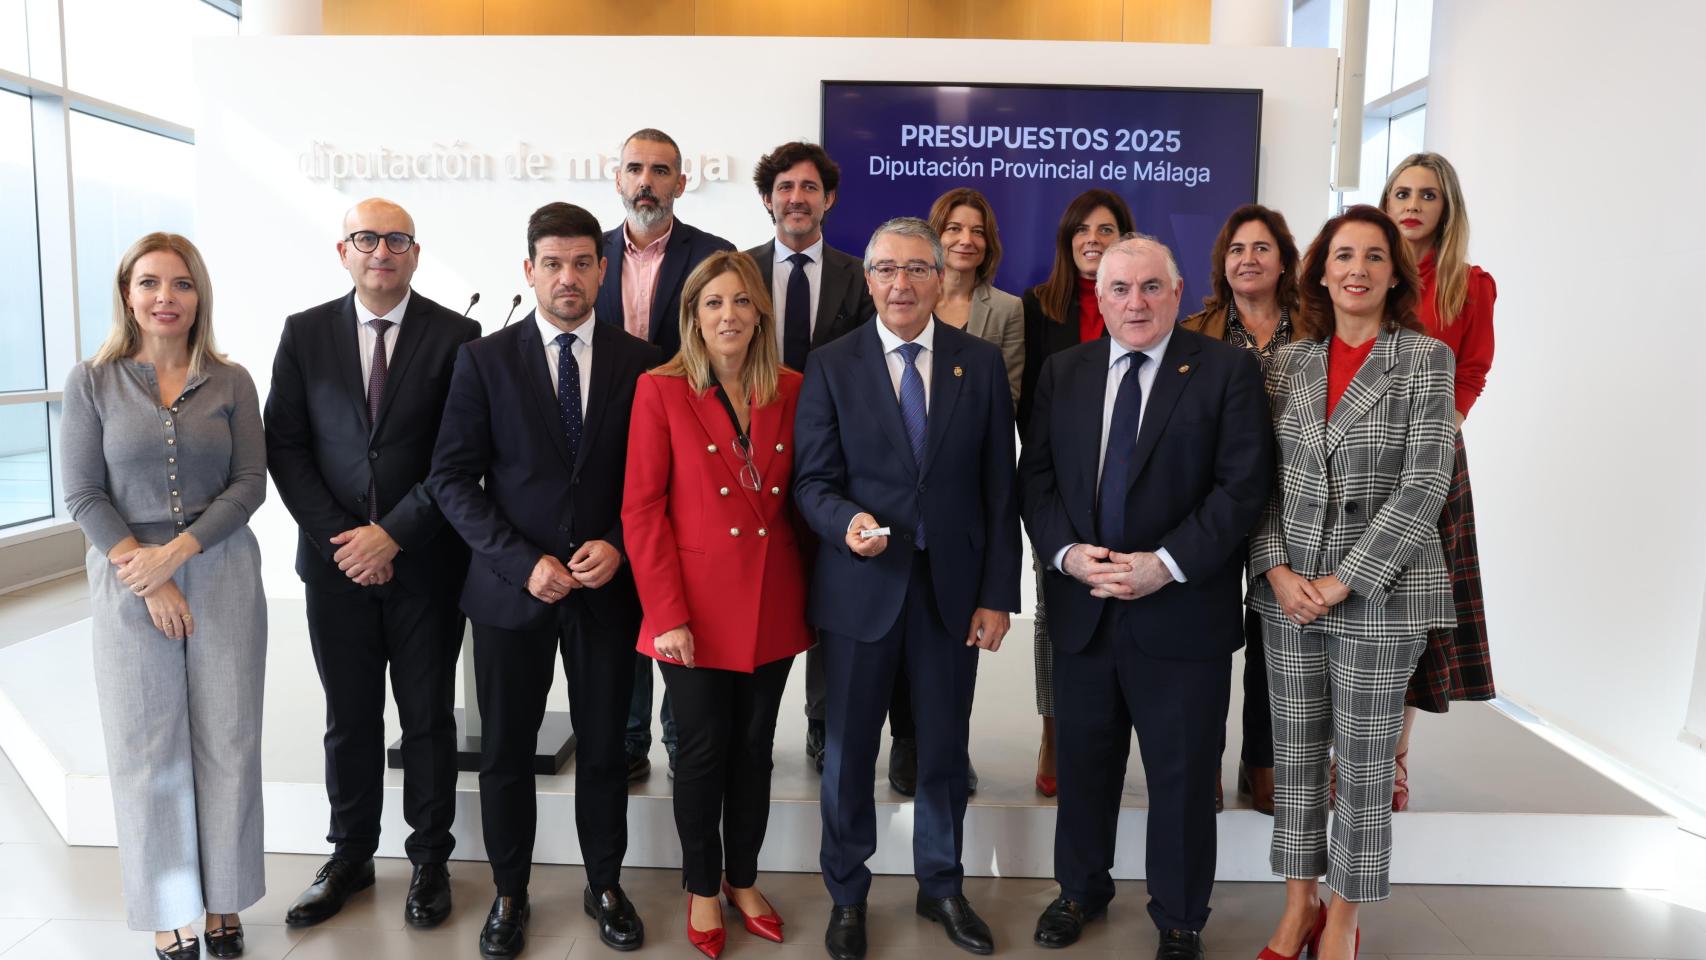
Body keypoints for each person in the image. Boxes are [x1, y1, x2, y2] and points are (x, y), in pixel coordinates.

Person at [1018, 236, 1272, 960]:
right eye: (1120, 288)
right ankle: (1079, 891)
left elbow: (1242, 487)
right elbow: (1035, 478)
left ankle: (1181, 916)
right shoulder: (1063, 372)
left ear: (1179, 291)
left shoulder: (1225, 371)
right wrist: (1068, 556)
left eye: (1152, 288)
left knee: (1184, 778)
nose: (1136, 302)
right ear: (1097, 295)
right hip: (1085, 608)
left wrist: (1166, 564)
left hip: (1181, 613)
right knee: (1085, 767)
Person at [428, 202, 662, 958]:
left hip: (605, 592)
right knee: (505, 752)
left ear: (604, 269)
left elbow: (659, 481)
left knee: (603, 752)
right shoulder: (484, 361)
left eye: (584, 262)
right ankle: (509, 893)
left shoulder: (644, 363)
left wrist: (621, 545)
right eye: (553, 263)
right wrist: (521, 561)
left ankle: (604, 885)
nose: (568, 277)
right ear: (528, 270)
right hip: (509, 592)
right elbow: (453, 480)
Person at [794, 217, 1020, 960]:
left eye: (917, 269)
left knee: (943, 750)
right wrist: (846, 521)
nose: (902, 284)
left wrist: (997, 594)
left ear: (938, 278)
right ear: (868, 280)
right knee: (851, 752)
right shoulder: (830, 364)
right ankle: (848, 893)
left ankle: (942, 886)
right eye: (887, 270)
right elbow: (813, 481)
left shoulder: (978, 364)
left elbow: (998, 488)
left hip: (951, 594)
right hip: (861, 588)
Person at [265, 198, 481, 932]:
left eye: (395, 240)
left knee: (426, 721)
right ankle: (350, 856)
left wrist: (392, 535)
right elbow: (286, 448)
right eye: (367, 239)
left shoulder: (459, 337)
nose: (380, 251)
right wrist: (349, 542)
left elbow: (459, 456)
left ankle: (429, 861)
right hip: (334, 570)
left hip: (426, 565)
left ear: (415, 254)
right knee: (350, 720)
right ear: (344, 250)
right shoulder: (303, 334)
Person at [1248, 205, 1456, 960]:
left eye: (1374, 256)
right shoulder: (1290, 361)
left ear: (1395, 273)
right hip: (1290, 593)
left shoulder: (1425, 358)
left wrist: (1342, 581)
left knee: (1364, 770)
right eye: (1343, 255)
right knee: (1296, 761)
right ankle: (1297, 908)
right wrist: (1275, 569)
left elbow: (1426, 482)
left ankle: (1343, 920)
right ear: (1321, 271)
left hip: (1381, 595)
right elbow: (1257, 481)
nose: (1357, 269)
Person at [61, 233, 267, 959]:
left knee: (230, 739)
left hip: (221, 567)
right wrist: (144, 571)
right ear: (127, 293)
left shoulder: (233, 380)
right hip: (125, 576)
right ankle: (167, 907)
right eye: (149, 283)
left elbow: (250, 484)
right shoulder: (91, 381)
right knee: (147, 746)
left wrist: (178, 554)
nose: (165, 298)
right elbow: (83, 492)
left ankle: (224, 901)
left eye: (180, 284)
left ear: (198, 295)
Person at [623, 251, 814, 958]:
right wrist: (666, 614)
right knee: (701, 752)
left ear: (760, 311)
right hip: (692, 611)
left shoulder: (793, 386)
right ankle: (703, 885)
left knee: (754, 751)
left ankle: (743, 878)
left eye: (739, 301)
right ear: (692, 316)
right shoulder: (660, 389)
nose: (728, 315)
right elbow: (642, 511)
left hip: (773, 599)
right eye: (712, 304)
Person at [594, 127, 738, 784]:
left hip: (687, 448)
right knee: (623, 592)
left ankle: (687, 739)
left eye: (660, 170)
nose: (645, 181)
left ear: (681, 182)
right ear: (616, 177)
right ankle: (627, 739)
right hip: (599, 448)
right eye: (635, 169)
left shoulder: (715, 256)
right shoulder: (586, 256)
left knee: (681, 585)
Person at [740, 140, 876, 778]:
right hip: (747, 457)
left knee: (830, 587)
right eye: (785, 188)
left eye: (810, 188)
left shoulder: (860, 276)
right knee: (750, 582)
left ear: (829, 198)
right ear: (768, 198)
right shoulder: (735, 272)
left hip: (837, 461)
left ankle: (823, 722)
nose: (797, 198)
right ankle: (741, 723)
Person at [1381, 152, 1498, 811]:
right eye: (1402, 191)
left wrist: (1434, 437)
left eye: (1427, 194)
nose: (1413, 203)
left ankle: (1394, 759)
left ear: (1446, 206)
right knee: (1358, 612)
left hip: (1432, 463)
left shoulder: (1470, 285)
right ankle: (1349, 753)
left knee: (1414, 615)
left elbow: (1472, 371)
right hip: (1358, 458)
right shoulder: (1364, 270)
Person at [1180, 203, 1303, 816]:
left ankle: (1263, 763)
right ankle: (1203, 763)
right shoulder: (1197, 329)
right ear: (1221, 264)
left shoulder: (1316, 328)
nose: (1247, 259)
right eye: (1236, 249)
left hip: (1291, 504)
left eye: (1260, 248)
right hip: (1216, 503)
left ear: (1284, 260)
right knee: (1203, 640)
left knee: (1271, 643)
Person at [1016, 188, 1135, 797]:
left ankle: (1116, 727)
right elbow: (1029, 407)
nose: (1093, 238)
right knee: (1057, 612)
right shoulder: (1038, 307)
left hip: (1130, 485)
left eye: (1107, 228)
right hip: (1061, 490)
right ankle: (1054, 728)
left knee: (1124, 603)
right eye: (1081, 229)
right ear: (1067, 240)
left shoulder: (1146, 305)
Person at [927, 187, 1023, 404]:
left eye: (978, 232)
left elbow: (1008, 396)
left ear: (988, 244)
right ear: (935, 235)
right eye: (954, 228)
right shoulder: (911, 300)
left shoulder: (1008, 308)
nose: (966, 240)